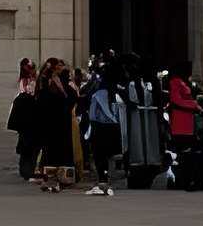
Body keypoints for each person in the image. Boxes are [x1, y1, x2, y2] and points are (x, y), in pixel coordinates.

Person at [31, 59, 77, 191]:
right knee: (55, 151)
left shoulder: (50, 83)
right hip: (57, 122)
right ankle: (55, 179)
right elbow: (70, 97)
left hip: (54, 122)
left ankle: (55, 179)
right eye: (58, 68)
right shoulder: (50, 83)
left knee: (52, 150)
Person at [84, 69, 123, 195]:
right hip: (114, 128)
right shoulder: (117, 95)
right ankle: (110, 183)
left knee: (99, 156)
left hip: (99, 128)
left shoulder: (97, 95)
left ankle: (102, 182)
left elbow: (93, 115)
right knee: (110, 157)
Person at [8, 77, 44, 181]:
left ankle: (25, 170)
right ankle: (28, 171)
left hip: (25, 130)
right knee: (31, 151)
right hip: (31, 130)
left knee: (26, 152)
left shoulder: (21, 98)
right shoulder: (30, 100)